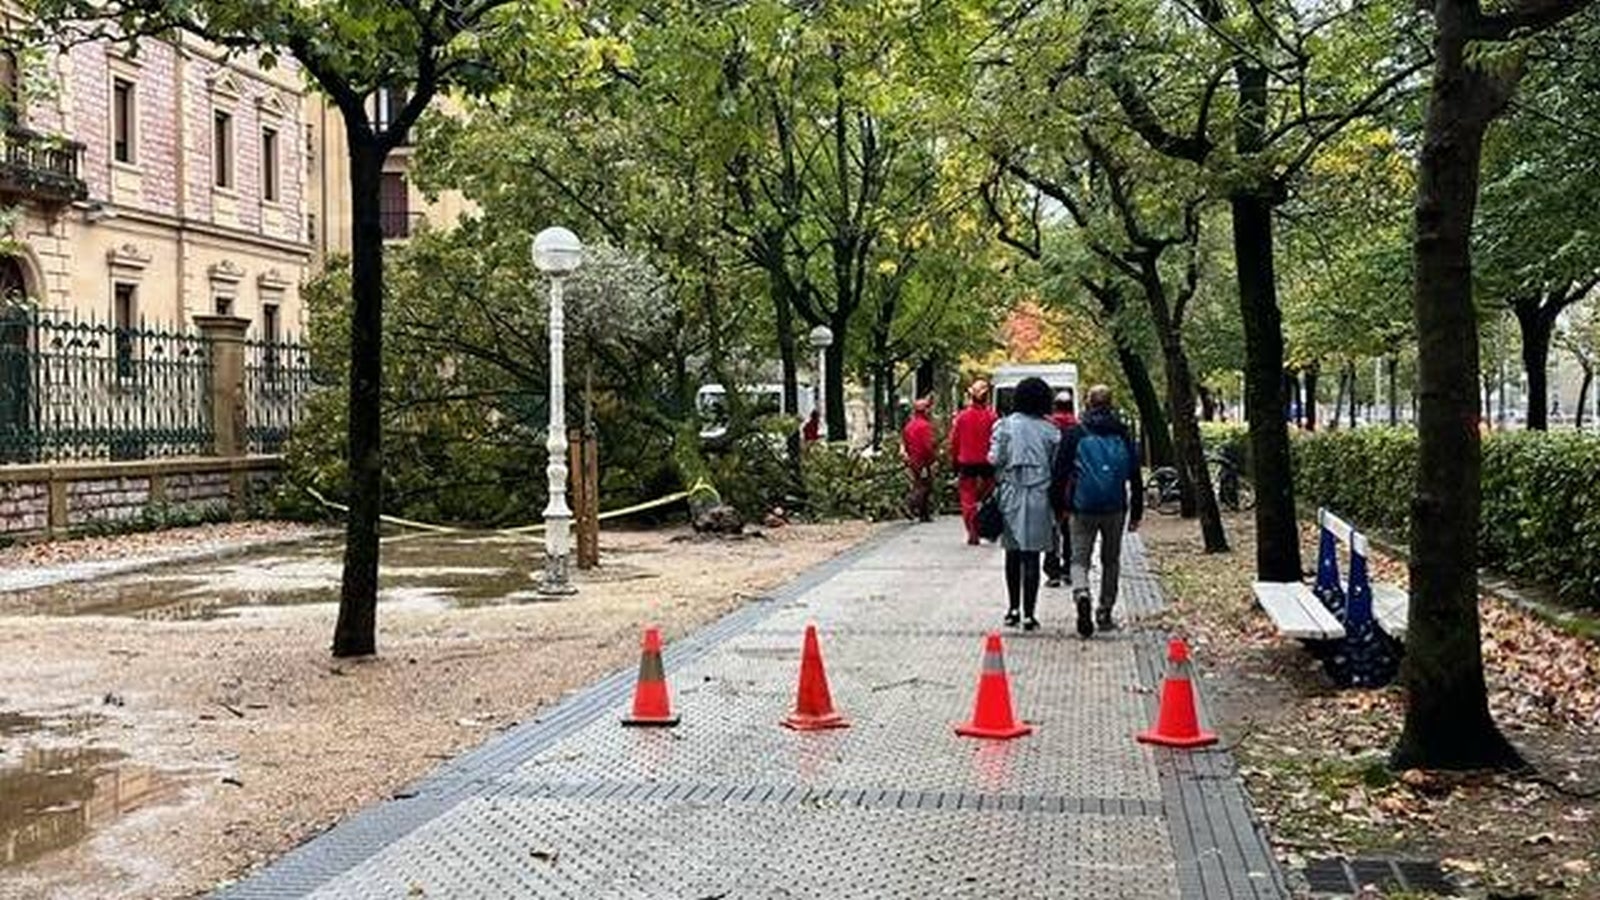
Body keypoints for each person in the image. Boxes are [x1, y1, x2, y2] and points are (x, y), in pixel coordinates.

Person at [1053, 384, 1143, 638]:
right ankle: (1105, 610)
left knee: (1079, 559)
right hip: (1115, 507)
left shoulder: (1075, 433)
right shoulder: (1122, 433)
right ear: (1111, 403)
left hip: (1082, 507)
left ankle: (1081, 592)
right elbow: (1134, 474)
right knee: (1111, 560)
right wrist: (1136, 511)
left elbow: (1060, 473)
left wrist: (1059, 507)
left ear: (1088, 403)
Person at [989, 377, 1061, 631]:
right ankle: (1030, 614)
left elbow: (994, 458)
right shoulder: (1051, 430)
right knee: (1032, 555)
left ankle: (1012, 609)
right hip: (1040, 495)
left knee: (1012, 552)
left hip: (1010, 493)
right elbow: (1057, 465)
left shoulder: (1004, 426)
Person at [950, 379, 999, 545]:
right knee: (989, 497)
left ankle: (972, 531)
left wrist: (954, 462)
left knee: (967, 498)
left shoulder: (962, 417)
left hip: (967, 463)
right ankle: (987, 526)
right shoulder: (993, 417)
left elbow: (954, 441)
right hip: (987, 463)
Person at [1043, 391, 1078, 588]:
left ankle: (1052, 570)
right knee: (1070, 530)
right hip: (1072, 485)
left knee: (1051, 529)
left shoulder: (1048, 425)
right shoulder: (1079, 427)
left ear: (1055, 406)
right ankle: (1069, 569)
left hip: (1051, 483)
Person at [901, 397, 937, 523]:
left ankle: (924, 514)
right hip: (923, 460)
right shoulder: (925, 426)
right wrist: (933, 459)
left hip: (913, 460)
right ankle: (910, 503)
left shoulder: (909, 426)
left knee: (919, 483)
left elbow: (905, 443)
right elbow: (928, 446)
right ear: (925, 410)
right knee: (925, 486)